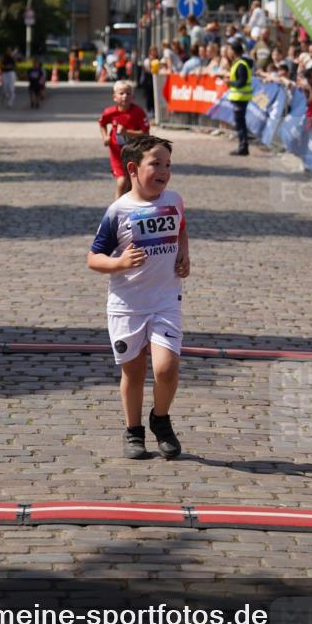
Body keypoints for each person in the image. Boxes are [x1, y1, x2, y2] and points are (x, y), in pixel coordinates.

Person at [87, 135, 190, 460]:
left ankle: (160, 419)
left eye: (168, 164)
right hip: (127, 305)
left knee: (166, 368)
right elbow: (93, 258)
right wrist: (119, 263)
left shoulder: (174, 199)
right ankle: (133, 431)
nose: (164, 171)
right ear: (133, 168)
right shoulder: (119, 210)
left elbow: (181, 228)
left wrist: (184, 255)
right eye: (156, 164)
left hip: (165, 300)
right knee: (133, 371)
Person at [98, 80, 149, 198]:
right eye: (121, 93)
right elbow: (102, 123)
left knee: (132, 183)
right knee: (122, 181)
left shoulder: (138, 113)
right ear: (114, 97)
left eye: (128, 93)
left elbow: (145, 133)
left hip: (134, 152)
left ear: (133, 97)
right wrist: (105, 136)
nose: (125, 96)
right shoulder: (109, 112)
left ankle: (129, 206)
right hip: (117, 153)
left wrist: (127, 132)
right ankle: (117, 210)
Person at [226, 40, 253, 155]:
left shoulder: (241, 64)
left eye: (229, 49)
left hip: (240, 98)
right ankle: (243, 145)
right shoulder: (238, 63)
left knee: (240, 123)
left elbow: (241, 82)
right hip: (239, 97)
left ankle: (243, 147)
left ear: (233, 51)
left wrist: (229, 83)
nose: (227, 52)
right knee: (240, 123)